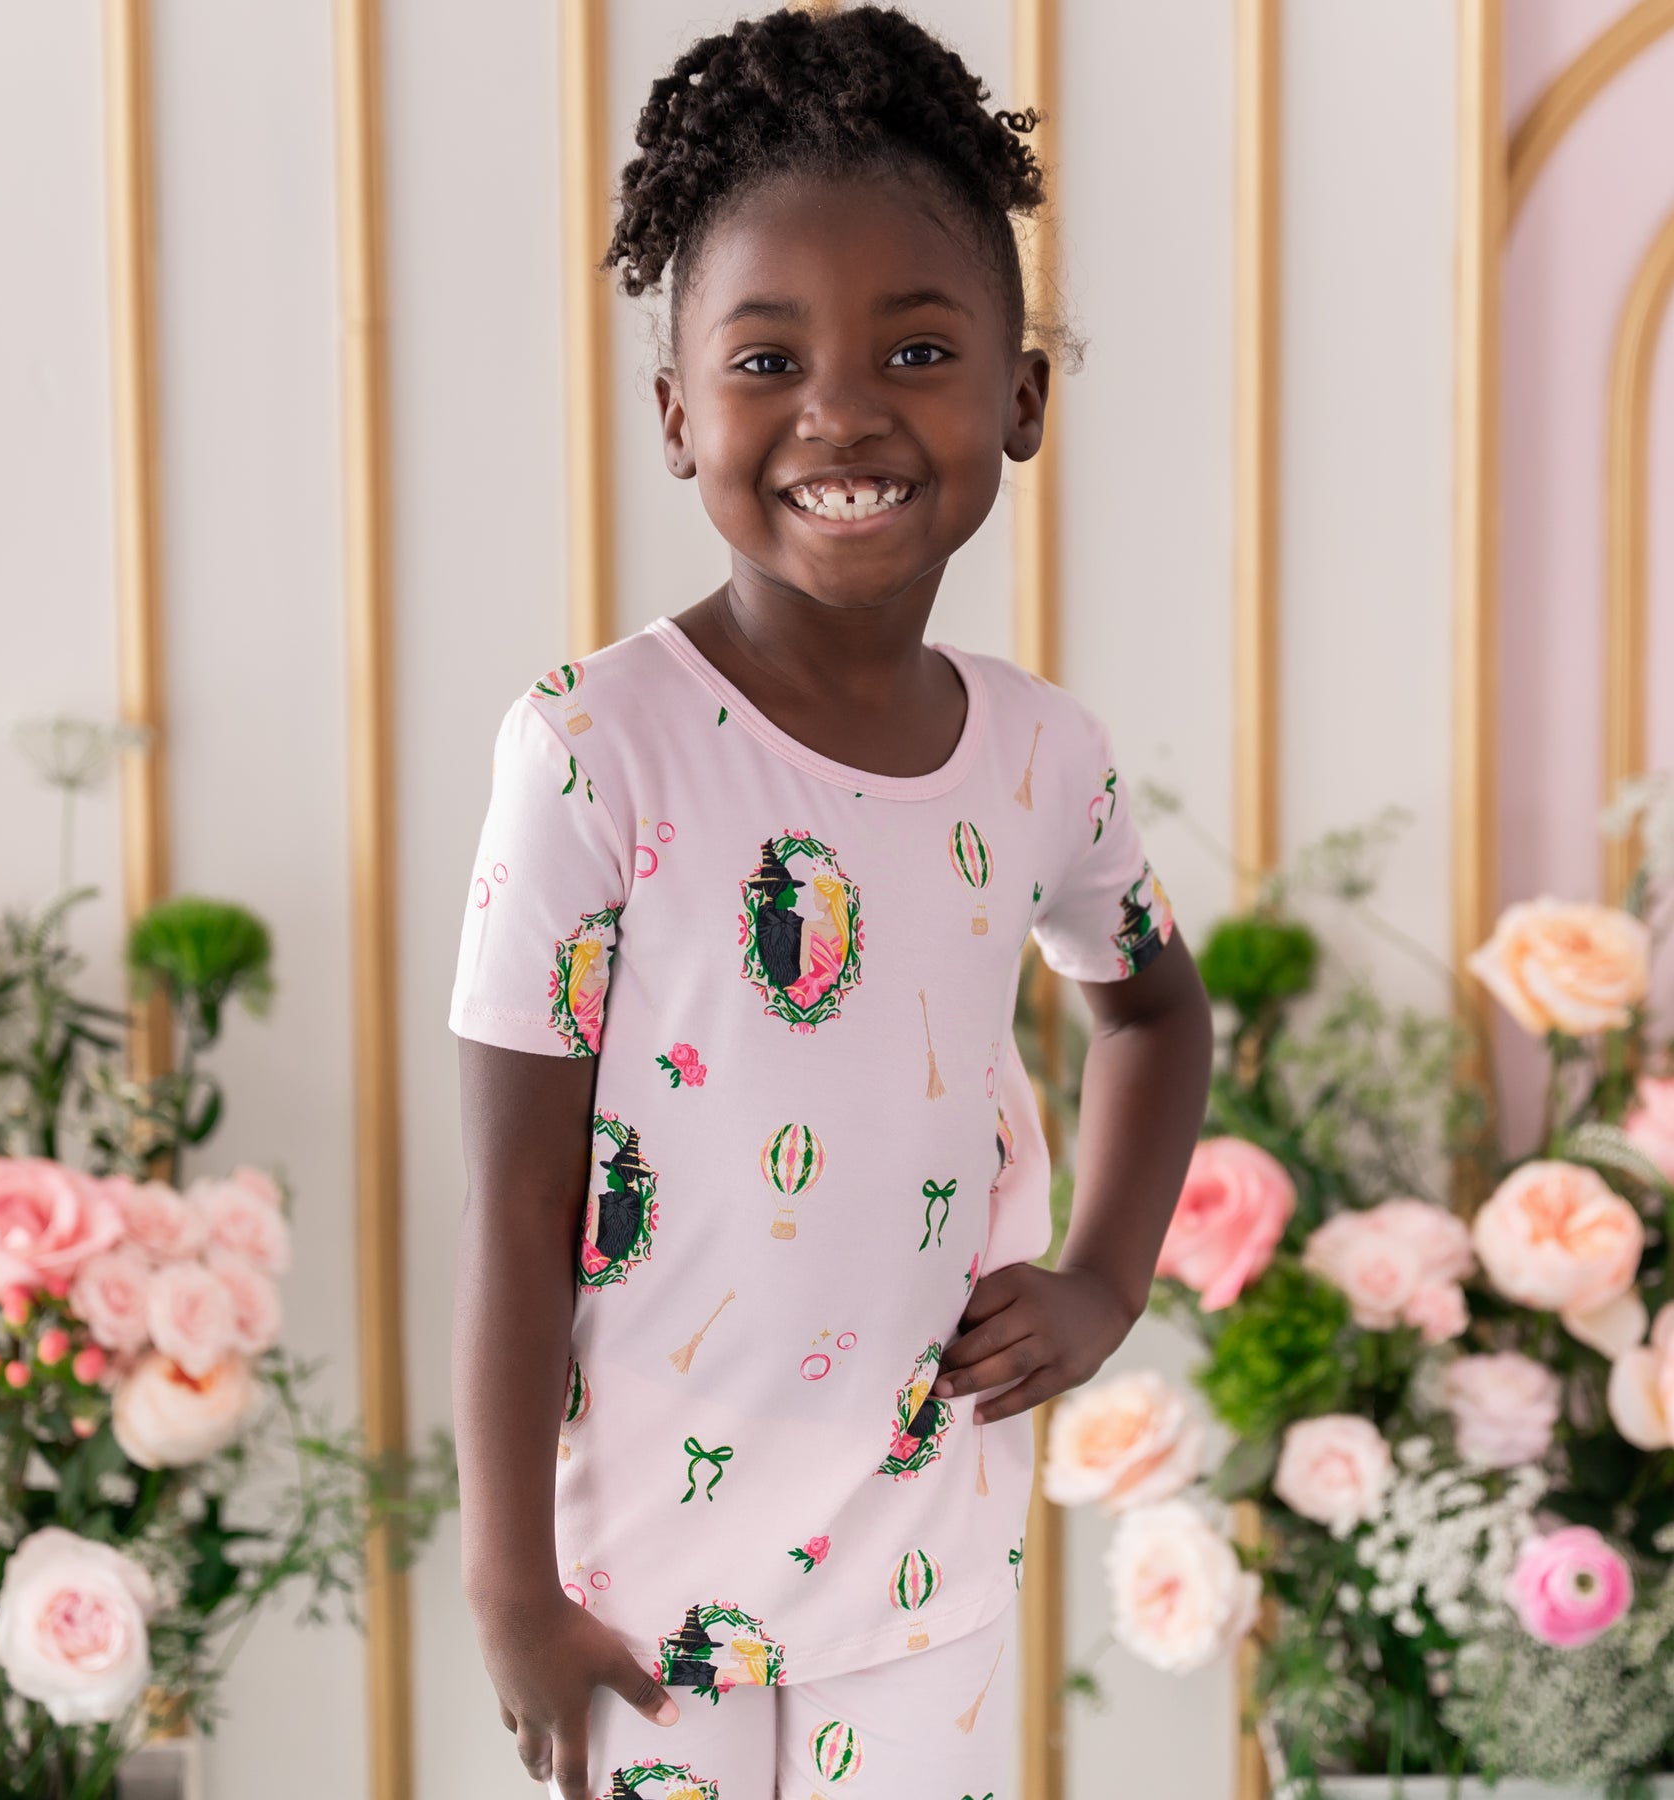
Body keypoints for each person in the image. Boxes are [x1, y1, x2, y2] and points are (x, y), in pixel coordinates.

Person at [448, 9, 1213, 1797]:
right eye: (768, 356)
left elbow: (1155, 1008)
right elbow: (512, 1193)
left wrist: (1104, 1277)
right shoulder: (589, 749)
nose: (844, 411)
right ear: (676, 411)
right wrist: (508, 1583)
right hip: (633, 1591)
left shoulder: (1042, 754)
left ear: (1022, 398)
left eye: (921, 347)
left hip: (925, 1563)